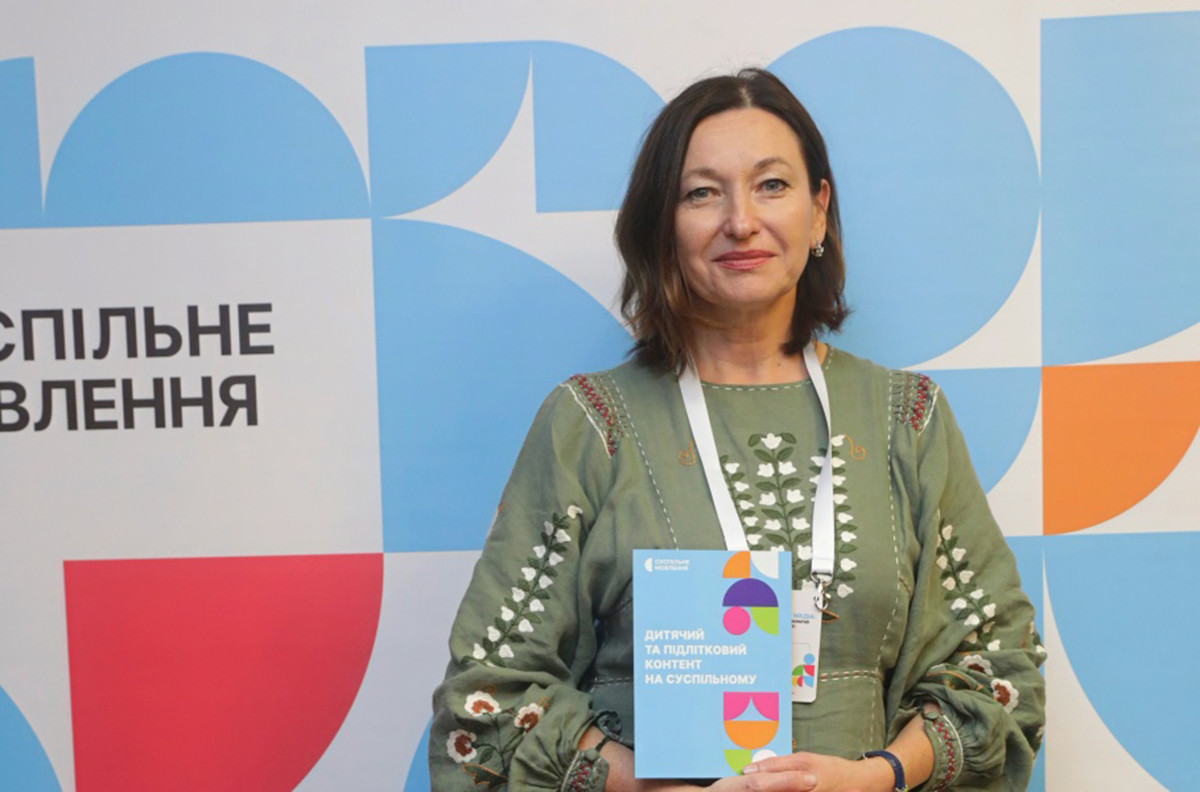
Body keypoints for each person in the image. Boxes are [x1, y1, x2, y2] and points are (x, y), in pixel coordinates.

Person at [429, 68, 1045, 791]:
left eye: (771, 185)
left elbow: (1001, 672)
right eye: (702, 193)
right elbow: (488, 697)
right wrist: (650, 786)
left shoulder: (906, 419)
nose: (741, 221)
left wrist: (873, 777)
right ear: (663, 225)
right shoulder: (590, 424)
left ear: (819, 212)